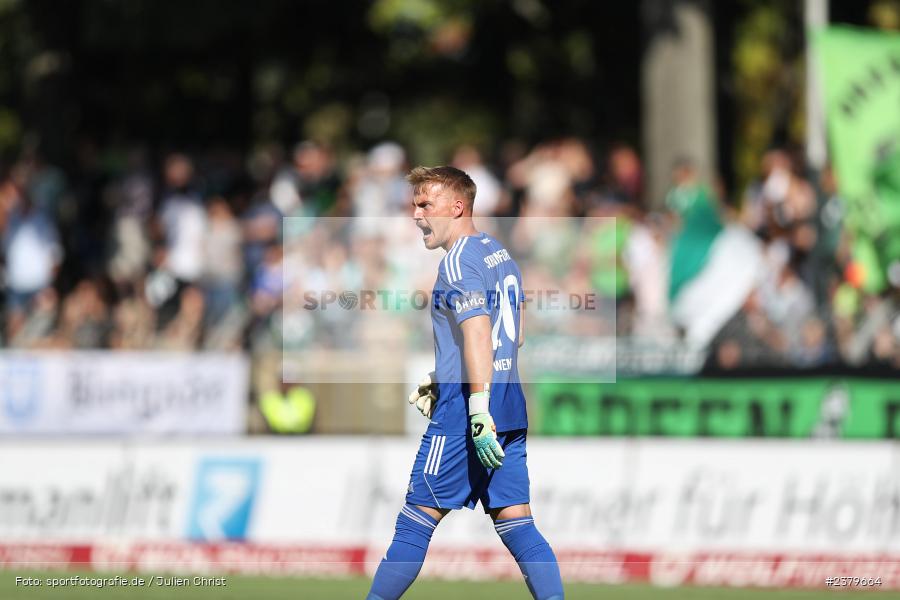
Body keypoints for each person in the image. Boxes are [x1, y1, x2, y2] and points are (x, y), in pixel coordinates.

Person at [367, 166, 563, 600]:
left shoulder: (457, 262)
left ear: (457, 207)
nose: (416, 215)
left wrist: (474, 405)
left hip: (468, 409)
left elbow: (478, 332)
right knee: (519, 526)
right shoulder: (500, 253)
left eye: (425, 205)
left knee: (415, 522)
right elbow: (515, 333)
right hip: (509, 400)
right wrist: (445, 373)